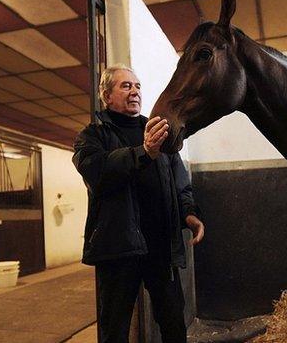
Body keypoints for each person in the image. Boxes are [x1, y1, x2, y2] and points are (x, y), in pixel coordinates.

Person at [73, 64, 204, 343]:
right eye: (125, 86)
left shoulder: (157, 129)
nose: (135, 91)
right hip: (119, 248)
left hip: (161, 246)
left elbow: (180, 182)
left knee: (172, 321)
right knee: (115, 327)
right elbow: (98, 172)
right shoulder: (92, 136)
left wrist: (189, 213)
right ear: (107, 96)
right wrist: (143, 152)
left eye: (137, 86)